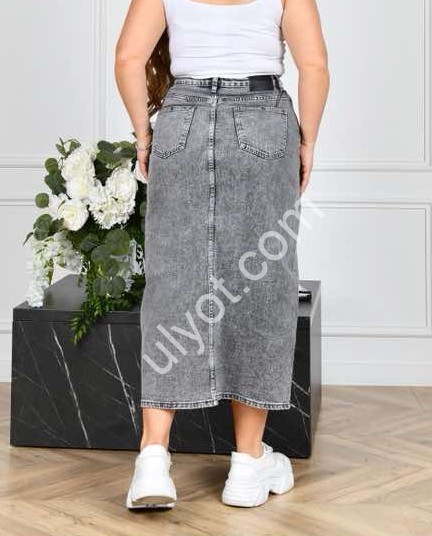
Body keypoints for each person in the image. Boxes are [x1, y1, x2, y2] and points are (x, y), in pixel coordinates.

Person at [115, 0, 329, 509]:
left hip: (182, 121)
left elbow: (127, 58)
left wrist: (144, 136)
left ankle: (152, 458)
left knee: (173, 282)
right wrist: (308, 142)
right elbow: (315, 66)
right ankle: (248, 462)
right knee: (259, 284)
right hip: (262, 118)